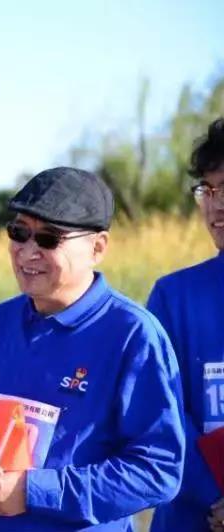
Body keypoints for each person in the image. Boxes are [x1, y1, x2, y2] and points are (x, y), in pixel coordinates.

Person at [0, 167, 185, 531]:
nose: (28, 252)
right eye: (19, 233)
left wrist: (34, 491)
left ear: (97, 248)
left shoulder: (133, 335)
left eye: (49, 238)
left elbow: (157, 471)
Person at [148, 118, 224, 532]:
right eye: (206, 191)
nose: (216, 205)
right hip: (191, 516)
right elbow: (162, 412)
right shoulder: (173, 297)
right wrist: (213, 496)